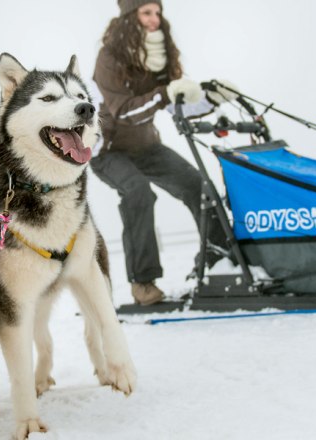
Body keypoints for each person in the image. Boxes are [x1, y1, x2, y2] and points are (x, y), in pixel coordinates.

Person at [90, 0, 240, 306]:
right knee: (138, 192)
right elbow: (122, 111)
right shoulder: (109, 57)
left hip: (146, 146)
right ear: (130, 16)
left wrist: (212, 98)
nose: (154, 19)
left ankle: (218, 259)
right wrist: (163, 94)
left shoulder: (161, 55)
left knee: (198, 186)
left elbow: (178, 103)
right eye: (146, 12)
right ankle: (143, 283)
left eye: (157, 12)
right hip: (108, 150)